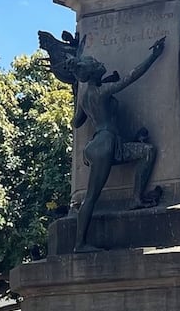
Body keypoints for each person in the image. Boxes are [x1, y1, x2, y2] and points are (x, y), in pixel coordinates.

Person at [70, 38, 166, 251]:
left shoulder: (86, 97)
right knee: (92, 196)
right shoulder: (101, 92)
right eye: (96, 64)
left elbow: (76, 122)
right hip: (105, 144)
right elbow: (132, 77)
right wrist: (153, 56)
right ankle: (80, 244)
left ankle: (136, 198)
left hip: (101, 143)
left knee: (147, 152)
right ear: (94, 73)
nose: (100, 64)